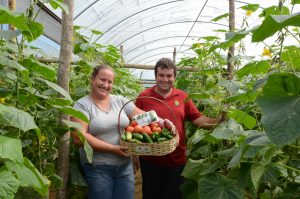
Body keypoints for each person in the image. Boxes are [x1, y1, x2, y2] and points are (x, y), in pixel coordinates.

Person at [134, 57, 224, 199]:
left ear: (174, 77)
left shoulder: (182, 96)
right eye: (161, 75)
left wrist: (219, 122)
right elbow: (134, 126)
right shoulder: (144, 97)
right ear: (156, 76)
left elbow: (197, 119)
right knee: (151, 194)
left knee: (173, 195)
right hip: (150, 159)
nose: (165, 79)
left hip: (176, 159)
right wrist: (135, 155)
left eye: (169, 76)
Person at [70, 64, 144, 199]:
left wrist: (162, 121)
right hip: (97, 167)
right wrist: (112, 149)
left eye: (110, 82)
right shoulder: (82, 105)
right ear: (92, 79)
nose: (106, 85)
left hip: (125, 166)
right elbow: (78, 137)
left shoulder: (120, 101)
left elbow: (143, 118)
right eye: (102, 80)